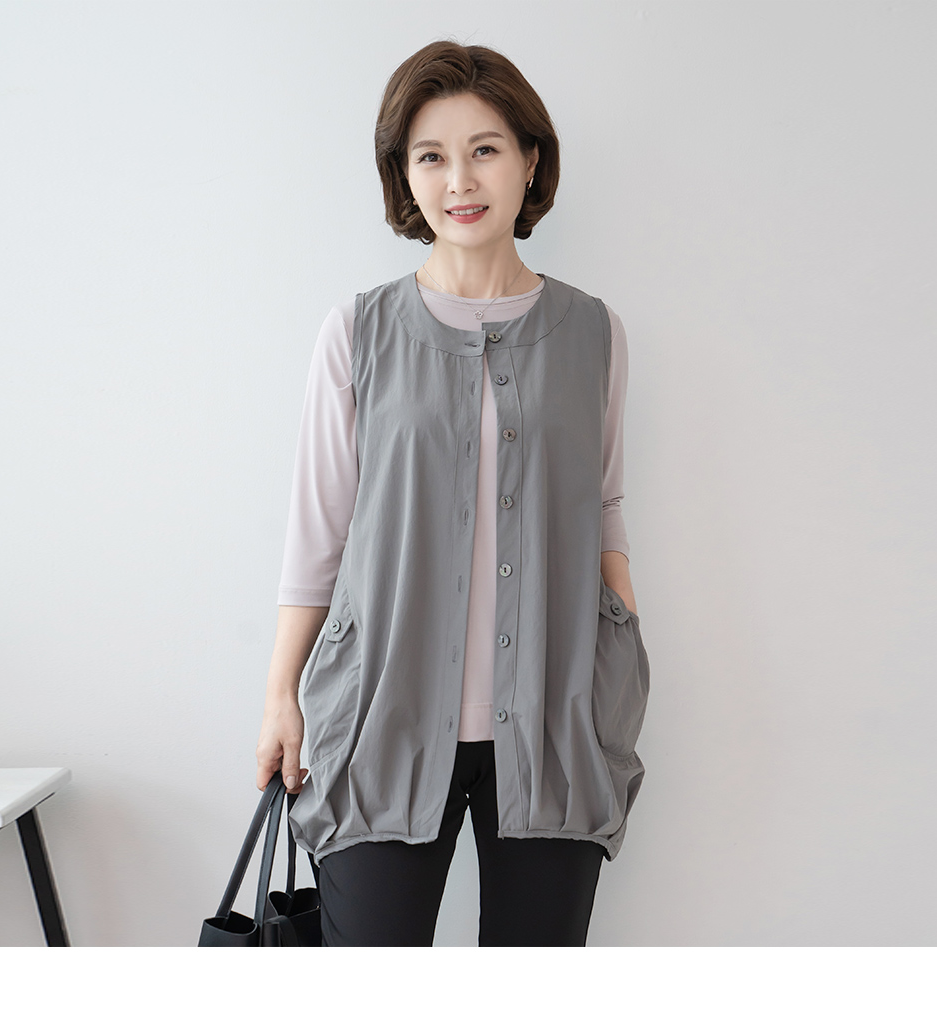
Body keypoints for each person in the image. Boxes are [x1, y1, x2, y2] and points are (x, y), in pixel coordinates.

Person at [255, 39, 651, 947]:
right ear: (404, 174)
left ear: (530, 161)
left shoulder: (594, 332)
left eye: (485, 149)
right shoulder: (357, 330)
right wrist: (281, 693)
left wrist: (621, 658)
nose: (460, 180)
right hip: (378, 719)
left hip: (557, 721)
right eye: (431, 155)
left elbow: (605, 508)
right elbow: (319, 531)